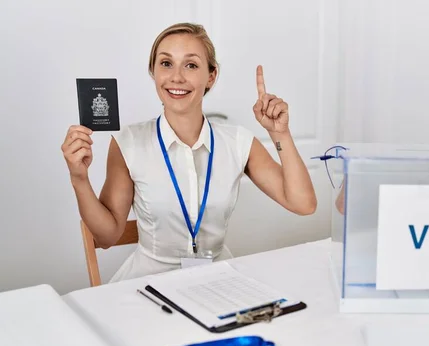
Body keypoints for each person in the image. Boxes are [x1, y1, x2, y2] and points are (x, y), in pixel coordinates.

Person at [61, 22, 317, 282]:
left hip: (218, 279)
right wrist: (79, 178)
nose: (177, 77)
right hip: (148, 284)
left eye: (191, 65)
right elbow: (106, 238)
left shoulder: (238, 142)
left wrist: (280, 133)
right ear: (153, 72)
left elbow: (303, 204)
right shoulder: (129, 142)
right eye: (166, 63)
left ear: (211, 76)